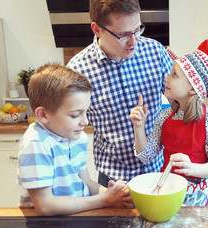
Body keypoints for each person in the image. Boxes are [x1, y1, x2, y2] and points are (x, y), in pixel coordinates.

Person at [66, 0, 173, 187]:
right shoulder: (77, 70)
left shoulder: (155, 52)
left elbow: (181, 104)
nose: (133, 41)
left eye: (137, 30)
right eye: (123, 35)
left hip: (159, 171)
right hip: (112, 179)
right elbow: (68, 130)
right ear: (97, 29)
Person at [17, 63, 132, 216]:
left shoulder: (78, 137)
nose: (85, 121)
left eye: (85, 112)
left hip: (77, 219)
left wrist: (113, 194)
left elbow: (87, 183)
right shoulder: (37, 144)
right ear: (43, 115)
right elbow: (45, 206)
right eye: (75, 115)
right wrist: (105, 199)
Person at [129, 40, 208, 206]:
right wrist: (138, 127)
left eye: (174, 75)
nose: (166, 78)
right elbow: (146, 156)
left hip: (196, 196)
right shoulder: (164, 117)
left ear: (193, 88)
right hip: (167, 191)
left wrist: (193, 169)